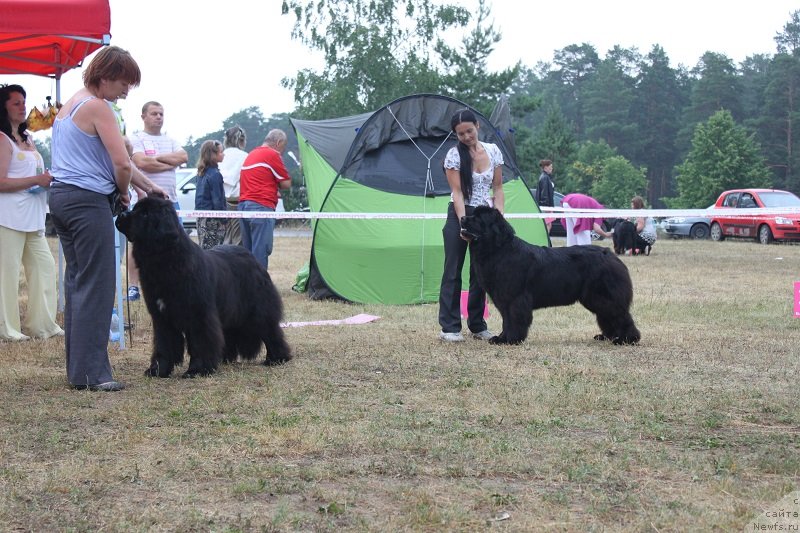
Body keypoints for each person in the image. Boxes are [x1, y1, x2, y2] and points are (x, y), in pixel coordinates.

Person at [48, 45, 142, 391]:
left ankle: (80, 370)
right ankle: (94, 374)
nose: (125, 92)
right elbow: (121, 163)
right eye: (123, 83)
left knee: (78, 283)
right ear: (104, 76)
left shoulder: (69, 106)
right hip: (87, 202)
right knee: (98, 285)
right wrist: (123, 190)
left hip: (61, 197)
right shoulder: (99, 108)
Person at [0, 84, 64, 342]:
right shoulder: (2, 139)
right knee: (7, 274)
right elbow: (1, 182)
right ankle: (7, 328)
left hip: (33, 217)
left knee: (45, 267)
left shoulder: (29, 138)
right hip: (8, 217)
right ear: (3, 106)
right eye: (16, 102)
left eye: (24, 101)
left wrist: (44, 179)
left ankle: (43, 325)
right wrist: (36, 180)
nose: (23, 106)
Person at [438, 109, 504, 342]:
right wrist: (464, 225)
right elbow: (457, 193)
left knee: (481, 272)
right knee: (453, 270)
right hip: (460, 213)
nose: (466, 136)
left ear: (477, 126)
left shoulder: (494, 151)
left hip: (485, 216)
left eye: (469, 130)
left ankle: (477, 325)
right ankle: (449, 327)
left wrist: (499, 218)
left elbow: (497, 188)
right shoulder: (454, 155)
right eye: (461, 133)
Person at [127, 101, 188, 300]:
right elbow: (141, 163)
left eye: (161, 113)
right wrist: (168, 163)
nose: (159, 117)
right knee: (138, 245)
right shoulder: (136, 138)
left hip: (170, 202)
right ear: (143, 116)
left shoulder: (170, 139)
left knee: (175, 245)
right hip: (144, 202)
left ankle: (174, 283)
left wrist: (156, 162)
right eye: (154, 113)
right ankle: (134, 286)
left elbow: (183, 157)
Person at [238, 129, 292, 270]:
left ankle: (247, 285)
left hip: (244, 206)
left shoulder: (252, 154)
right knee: (261, 250)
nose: (282, 152)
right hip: (261, 207)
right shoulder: (272, 154)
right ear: (278, 142)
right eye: (283, 147)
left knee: (248, 252)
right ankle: (259, 288)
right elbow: (286, 183)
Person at [195, 140, 227, 249]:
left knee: (204, 248)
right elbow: (217, 200)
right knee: (214, 250)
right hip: (213, 220)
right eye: (221, 152)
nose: (223, 154)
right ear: (213, 154)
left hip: (201, 217)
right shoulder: (215, 175)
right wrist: (223, 218)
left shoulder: (201, 172)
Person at [219, 125, 248, 245]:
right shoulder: (246, 156)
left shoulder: (220, 155)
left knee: (224, 238)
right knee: (238, 239)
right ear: (241, 140)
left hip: (221, 202)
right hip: (237, 201)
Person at [535, 159, 556, 232]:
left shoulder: (544, 177)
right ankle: (545, 242)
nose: (552, 168)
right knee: (548, 225)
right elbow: (544, 194)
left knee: (548, 224)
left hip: (545, 206)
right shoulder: (545, 178)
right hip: (545, 206)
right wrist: (547, 208)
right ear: (545, 167)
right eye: (550, 167)